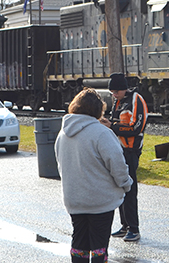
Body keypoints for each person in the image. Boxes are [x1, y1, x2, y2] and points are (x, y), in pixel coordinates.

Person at [56, 88, 133, 263]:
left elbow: (61, 166)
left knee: (79, 244)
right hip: (100, 201)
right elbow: (117, 165)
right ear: (98, 110)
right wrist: (126, 184)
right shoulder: (102, 133)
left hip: (74, 199)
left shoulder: (63, 134)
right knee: (99, 247)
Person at [100, 73, 148, 242]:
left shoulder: (136, 100)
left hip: (131, 152)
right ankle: (125, 225)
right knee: (120, 188)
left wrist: (112, 126)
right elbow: (116, 123)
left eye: (116, 91)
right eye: (112, 91)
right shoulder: (118, 102)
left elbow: (136, 127)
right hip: (118, 150)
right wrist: (108, 123)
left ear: (123, 88)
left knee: (130, 189)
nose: (114, 94)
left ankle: (134, 229)